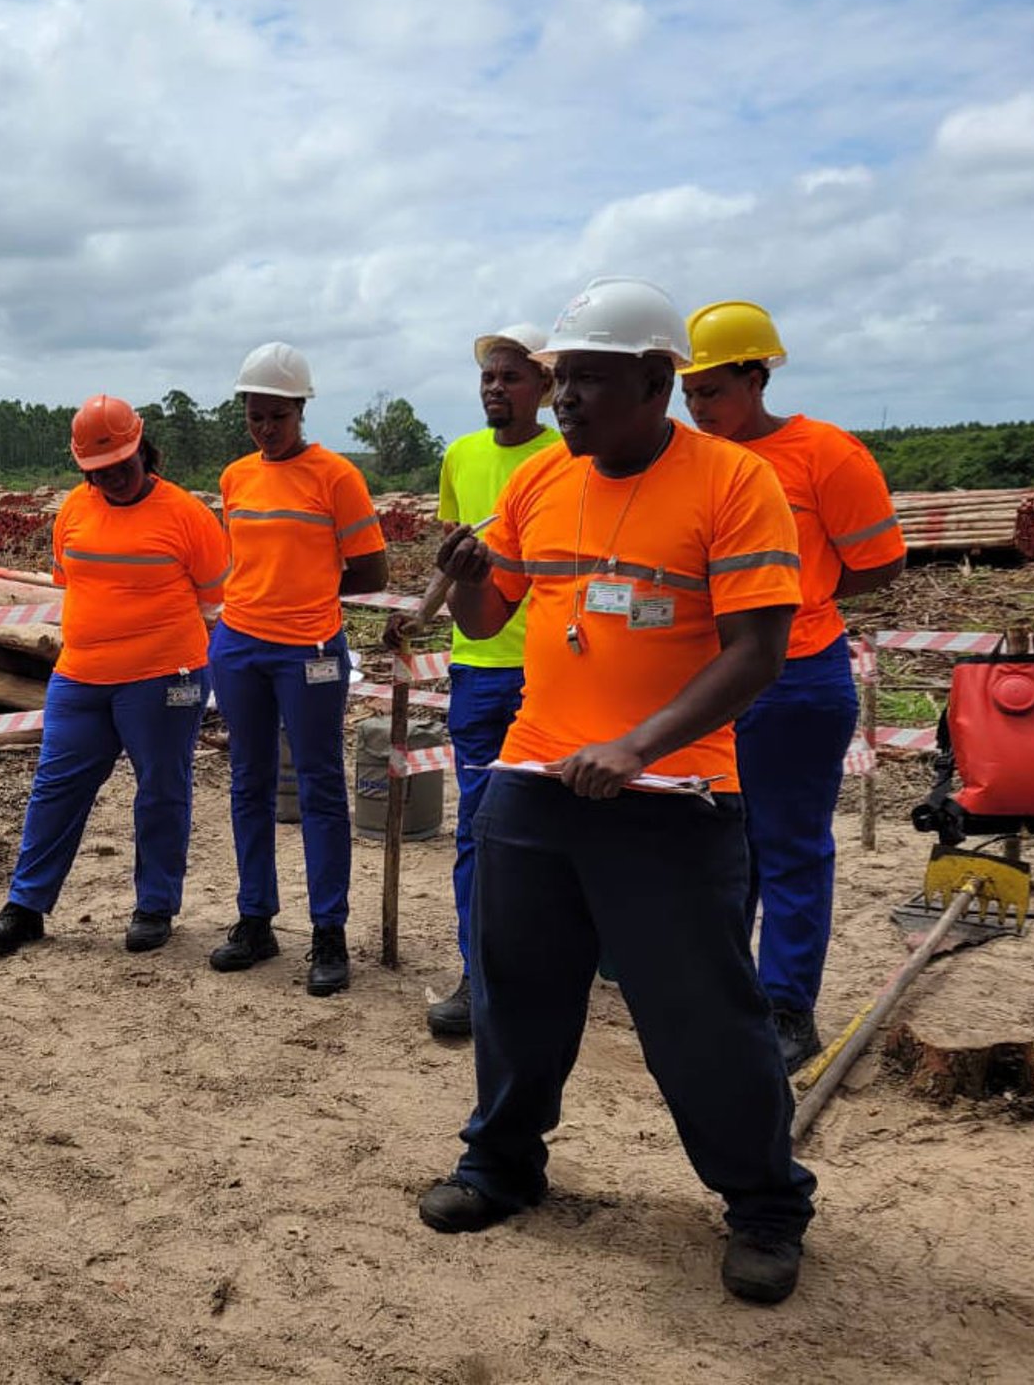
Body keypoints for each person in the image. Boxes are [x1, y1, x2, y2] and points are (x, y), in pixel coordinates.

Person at [416, 278, 817, 1306]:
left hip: (676, 793)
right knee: (516, 989)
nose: (563, 400)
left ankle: (766, 1206)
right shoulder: (542, 480)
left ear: (653, 381)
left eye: (587, 381)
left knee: (699, 1015)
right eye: (560, 381)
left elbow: (758, 651)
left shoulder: (733, 482)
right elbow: (490, 613)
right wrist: (467, 574)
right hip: (534, 775)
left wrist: (637, 746)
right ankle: (502, 1165)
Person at [683, 301, 906, 1071]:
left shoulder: (824, 455)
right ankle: (729, 994)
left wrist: (795, 600)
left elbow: (880, 563)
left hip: (797, 673)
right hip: (711, 676)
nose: (698, 407)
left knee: (789, 847)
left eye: (712, 390)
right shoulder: (692, 458)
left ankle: (786, 1008)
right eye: (689, 393)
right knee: (723, 842)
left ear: (757, 377)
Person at [0, 396, 230, 956]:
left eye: (120, 464)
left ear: (143, 450)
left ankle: (155, 906)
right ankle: (26, 906)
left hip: (164, 677)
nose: (110, 477)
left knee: (161, 790)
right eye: (97, 470)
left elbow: (213, 596)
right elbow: (70, 580)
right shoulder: (74, 509)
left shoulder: (187, 515)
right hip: (81, 674)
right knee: (55, 788)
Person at [388, 323, 559, 1038]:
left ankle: (574, 960)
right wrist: (422, 615)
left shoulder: (568, 458)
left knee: (567, 830)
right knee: (481, 832)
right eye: (489, 377)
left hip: (556, 671)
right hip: (480, 671)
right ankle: (479, 974)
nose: (495, 388)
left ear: (545, 386)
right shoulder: (460, 456)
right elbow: (454, 561)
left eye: (511, 377)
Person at [210, 343, 388, 996]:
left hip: (309, 650)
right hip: (238, 645)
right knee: (248, 781)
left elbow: (372, 569)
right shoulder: (235, 478)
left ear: (301, 409)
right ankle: (255, 919)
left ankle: (329, 931)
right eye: (255, 416)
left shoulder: (336, 476)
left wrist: (309, 597)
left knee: (320, 785)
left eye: (277, 417)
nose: (265, 428)